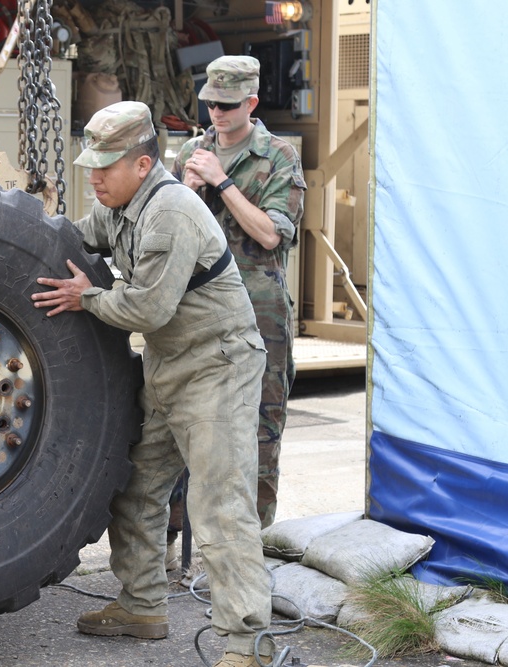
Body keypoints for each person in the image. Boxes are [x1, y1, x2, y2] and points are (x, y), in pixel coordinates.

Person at [32, 100, 274, 667]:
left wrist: (85, 297)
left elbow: (149, 309)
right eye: (90, 163)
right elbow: (73, 239)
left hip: (217, 367)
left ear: (142, 165)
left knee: (220, 507)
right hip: (169, 367)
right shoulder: (119, 208)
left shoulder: (170, 211)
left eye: (106, 166)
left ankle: (248, 644)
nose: (93, 176)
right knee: (134, 487)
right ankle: (142, 605)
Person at [172, 55, 306, 533]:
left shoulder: (278, 157)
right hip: (196, 312)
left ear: (251, 102)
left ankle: (254, 545)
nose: (217, 114)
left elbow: (271, 234)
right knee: (182, 428)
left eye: (228, 105)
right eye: (211, 104)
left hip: (257, 313)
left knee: (258, 429)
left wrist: (222, 182)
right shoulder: (190, 153)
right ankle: (178, 539)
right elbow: (168, 235)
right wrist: (184, 189)